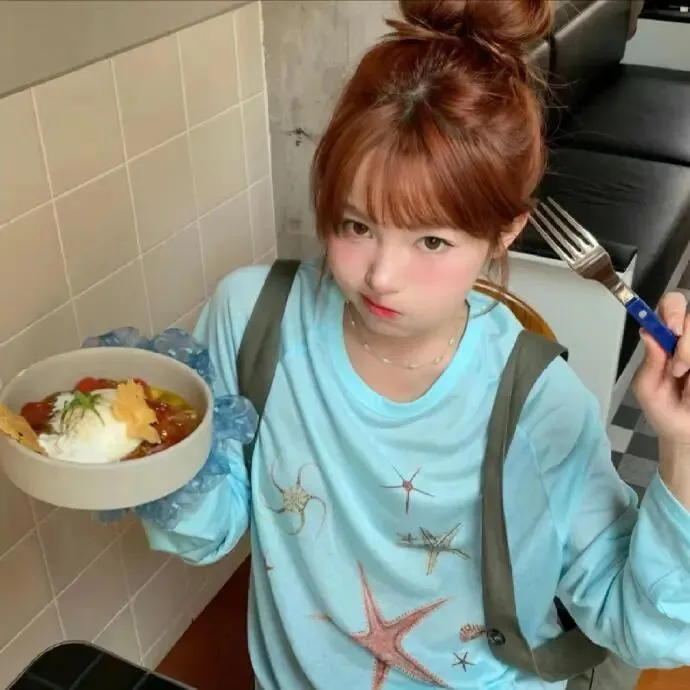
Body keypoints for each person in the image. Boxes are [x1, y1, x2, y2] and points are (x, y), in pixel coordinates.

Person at [141, 1, 690, 688]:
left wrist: (682, 448)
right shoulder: (254, 317)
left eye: (430, 240)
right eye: (355, 224)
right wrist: (156, 445)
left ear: (505, 231)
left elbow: (643, 628)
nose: (381, 276)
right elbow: (207, 534)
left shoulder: (537, 403)